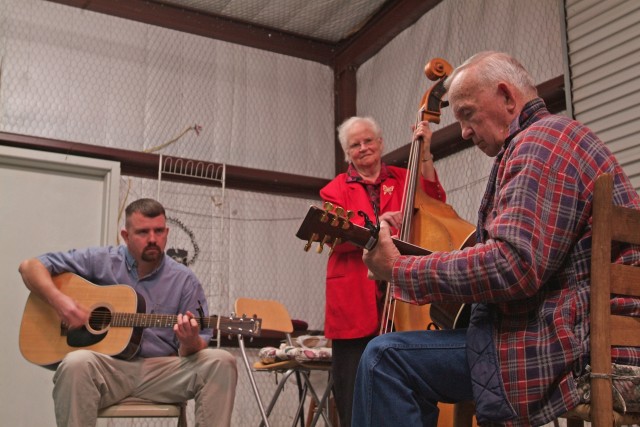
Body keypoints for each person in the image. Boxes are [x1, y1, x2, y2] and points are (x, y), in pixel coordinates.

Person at [353, 51, 640, 426]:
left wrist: (399, 269)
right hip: (586, 339)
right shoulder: (562, 138)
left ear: (507, 97)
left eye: (468, 114)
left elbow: (513, 266)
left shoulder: (541, 144)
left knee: (383, 360)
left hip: (567, 350)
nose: (465, 132)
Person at [18, 198, 238, 427]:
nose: (153, 239)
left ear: (167, 232)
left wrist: (189, 341)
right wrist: (61, 303)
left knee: (221, 361)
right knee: (75, 362)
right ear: (125, 235)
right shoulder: (101, 260)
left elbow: (193, 348)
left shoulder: (185, 281)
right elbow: (29, 267)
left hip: (162, 372)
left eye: (159, 231)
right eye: (143, 232)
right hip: (108, 369)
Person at [319, 116, 446, 426]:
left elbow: (437, 203)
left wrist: (426, 155)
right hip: (353, 300)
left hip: (403, 297)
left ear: (380, 143)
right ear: (347, 153)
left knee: (410, 389)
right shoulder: (333, 190)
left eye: (368, 141)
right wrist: (379, 227)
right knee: (352, 393)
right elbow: (334, 234)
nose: (363, 148)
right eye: (355, 145)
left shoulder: (406, 177)